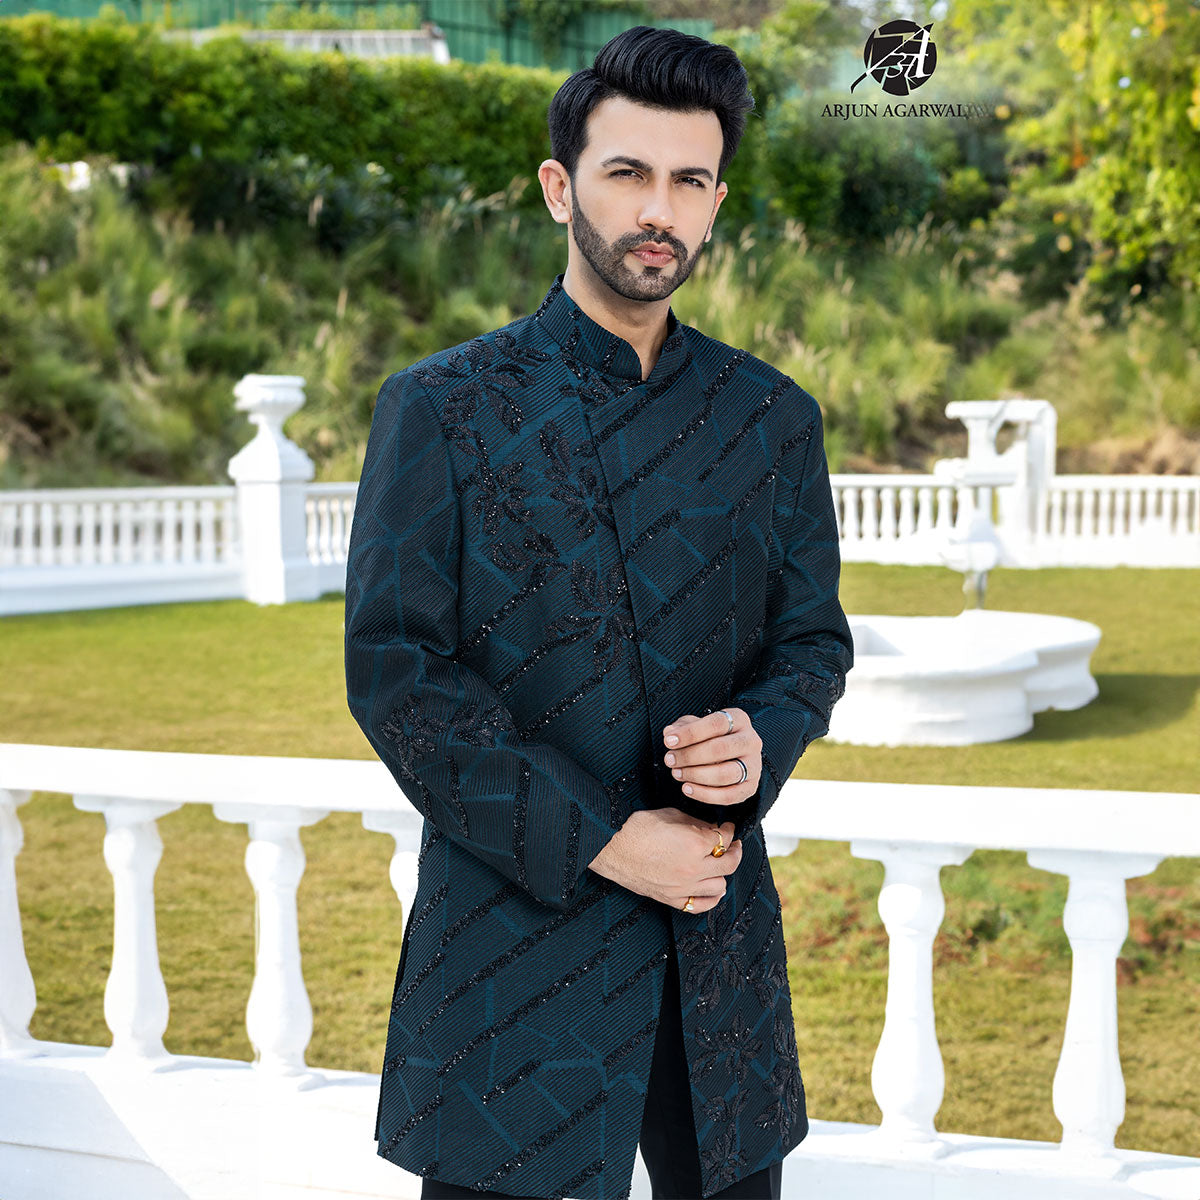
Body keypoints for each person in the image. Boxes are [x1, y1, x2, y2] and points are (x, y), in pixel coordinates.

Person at [343, 24, 854, 1200]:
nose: (656, 210)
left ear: (718, 202)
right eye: (627, 173)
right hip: (513, 957)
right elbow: (398, 675)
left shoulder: (771, 419)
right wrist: (608, 840)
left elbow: (811, 641)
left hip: (713, 957)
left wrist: (762, 738)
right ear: (560, 187)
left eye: (688, 180)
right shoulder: (443, 408)